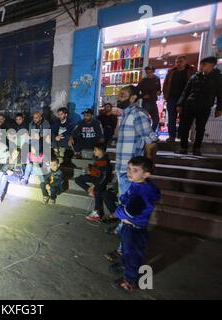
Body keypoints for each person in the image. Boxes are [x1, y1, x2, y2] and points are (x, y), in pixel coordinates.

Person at [111, 156, 160, 292]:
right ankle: (125, 265)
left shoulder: (142, 192)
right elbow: (128, 196)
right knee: (127, 249)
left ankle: (129, 281)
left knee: (132, 254)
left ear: (146, 174)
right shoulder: (139, 183)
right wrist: (124, 198)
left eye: (135, 170)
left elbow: (130, 211)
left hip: (135, 229)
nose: (130, 172)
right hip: (130, 227)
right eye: (129, 168)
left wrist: (116, 213)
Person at [115, 85, 157, 197]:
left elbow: (151, 141)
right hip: (123, 168)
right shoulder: (126, 114)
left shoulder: (137, 114)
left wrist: (148, 165)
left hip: (133, 171)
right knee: (124, 202)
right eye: (119, 95)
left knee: (130, 206)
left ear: (133, 98)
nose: (118, 98)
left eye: (122, 95)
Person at [177, 56, 222, 156]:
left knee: (200, 128)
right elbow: (186, 91)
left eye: (204, 64)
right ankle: (183, 147)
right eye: (201, 64)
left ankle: (196, 148)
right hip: (190, 105)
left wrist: (219, 108)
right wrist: (180, 104)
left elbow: (220, 94)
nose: (201, 66)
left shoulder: (218, 78)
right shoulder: (195, 76)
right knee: (185, 127)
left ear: (212, 65)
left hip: (205, 107)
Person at [74, 142, 112, 221]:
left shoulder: (106, 162)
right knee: (78, 179)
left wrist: (93, 185)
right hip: (94, 177)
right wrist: (90, 169)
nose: (93, 151)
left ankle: (97, 213)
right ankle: (90, 191)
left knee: (98, 191)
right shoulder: (97, 158)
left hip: (101, 181)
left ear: (101, 151)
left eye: (95, 150)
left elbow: (103, 177)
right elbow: (96, 170)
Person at [163, 55, 197, 142]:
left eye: (181, 61)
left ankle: (181, 135)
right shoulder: (171, 72)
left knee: (184, 118)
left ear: (185, 62)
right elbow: (165, 84)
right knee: (171, 118)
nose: (178, 63)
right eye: (177, 62)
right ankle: (172, 136)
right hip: (172, 98)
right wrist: (165, 96)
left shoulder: (191, 71)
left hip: (185, 99)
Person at [137, 66, 162, 132]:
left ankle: (151, 134)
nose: (149, 74)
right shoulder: (143, 80)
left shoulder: (157, 79)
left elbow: (159, 89)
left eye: (150, 72)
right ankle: (147, 135)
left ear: (153, 71)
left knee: (156, 121)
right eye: (147, 72)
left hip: (154, 102)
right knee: (145, 121)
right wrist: (142, 96)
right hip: (146, 103)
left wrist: (159, 92)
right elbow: (136, 90)